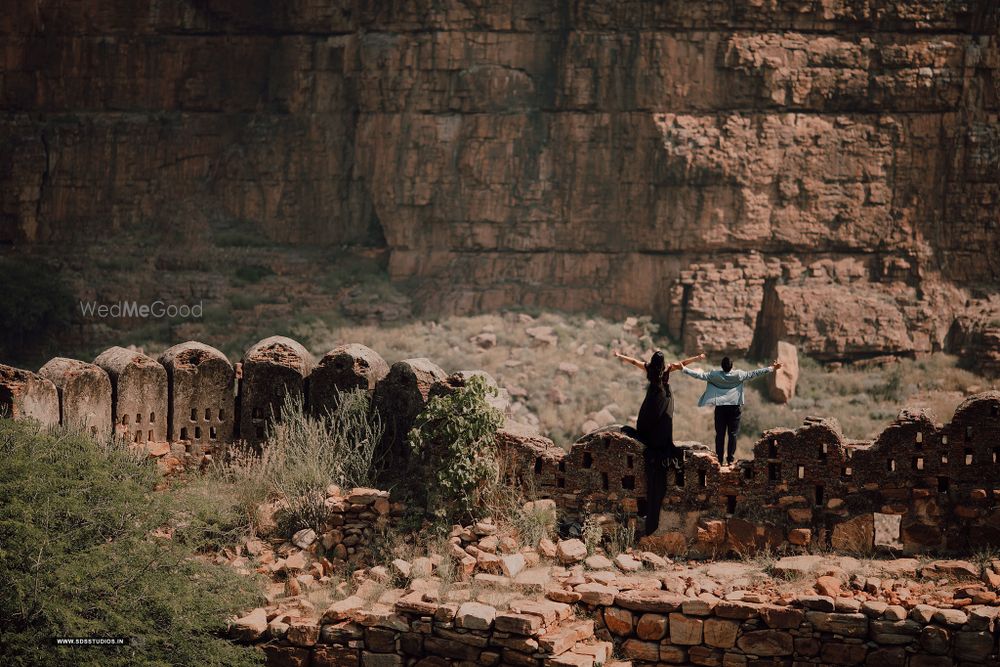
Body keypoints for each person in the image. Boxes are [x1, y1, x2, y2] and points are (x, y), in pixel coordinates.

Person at [614, 349, 705, 535]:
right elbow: (683, 363)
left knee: (647, 420)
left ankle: (650, 437)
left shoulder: (649, 368)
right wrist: (698, 357)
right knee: (664, 422)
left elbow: (633, 361)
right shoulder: (668, 370)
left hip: (652, 399)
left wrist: (619, 356)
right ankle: (661, 439)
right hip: (664, 400)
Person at [681, 356, 782, 466]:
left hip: (720, 409)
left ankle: (719, 460)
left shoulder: (715, 375)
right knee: (732, 434)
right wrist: (772, 368)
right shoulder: (738, 375)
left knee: (720, 434)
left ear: (722, 366)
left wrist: (683, 369)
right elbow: (755, 373)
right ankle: (730, 460)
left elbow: (699, 375)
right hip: (734, 409)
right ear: (732, 366)